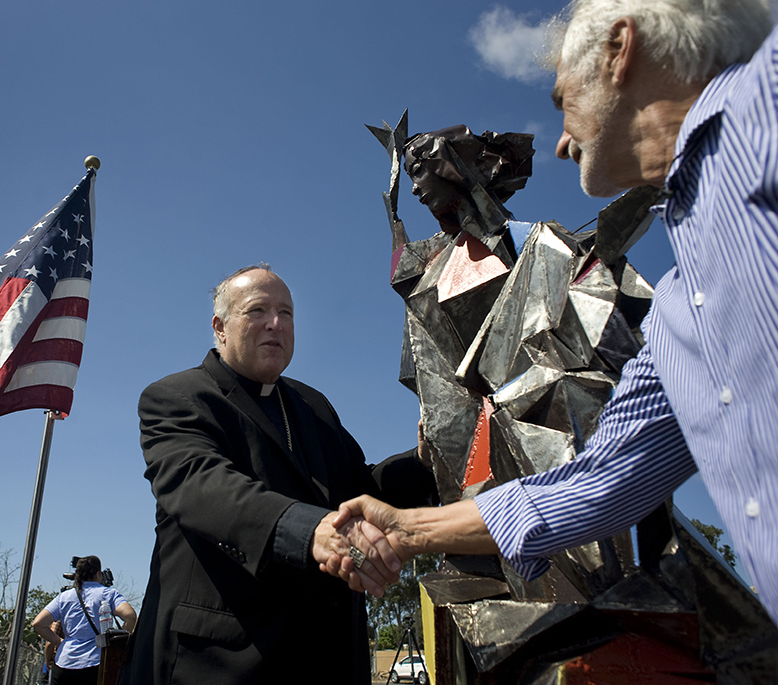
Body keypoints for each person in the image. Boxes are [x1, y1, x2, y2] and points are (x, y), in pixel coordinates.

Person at [325, 0, 778, 629]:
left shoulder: (768, 109)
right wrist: (409, 528)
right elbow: (602, 481)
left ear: (622, 51)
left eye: (565, 99)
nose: (561, 141)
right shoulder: (684, 312)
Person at [118, 264, 437, 685]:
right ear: (220, 327)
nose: (275, 324)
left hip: (327, 659)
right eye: (257, 311)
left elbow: (358, 490)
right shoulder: (177, 396)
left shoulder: (312, 404)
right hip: (221, 661)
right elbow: (202, 486)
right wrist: (312, 533)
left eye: (286, 314)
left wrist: (423, 461)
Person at [32, 556, 137, 685]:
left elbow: (38, 623)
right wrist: (115, 645)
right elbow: (130, 616)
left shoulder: (64, 597)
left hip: (64, 663)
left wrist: (58, 641)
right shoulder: (108, 594)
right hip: (95, 663)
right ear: (98, 574)